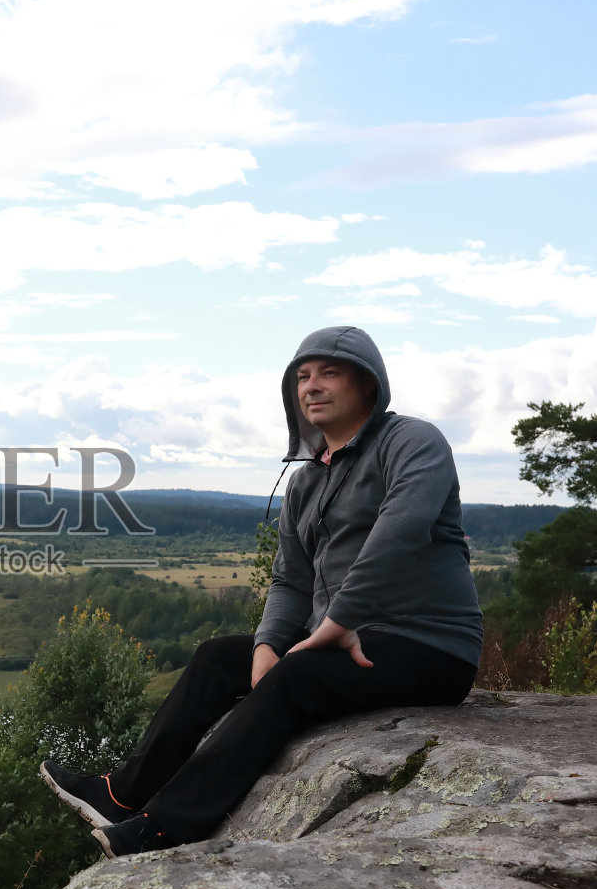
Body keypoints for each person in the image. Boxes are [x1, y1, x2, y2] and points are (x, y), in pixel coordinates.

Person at [40, 325, 483, 857]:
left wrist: (337, 622)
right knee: (218, 658)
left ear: (368, 384)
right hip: (347, 636)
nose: (311, 386)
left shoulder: (412, 442)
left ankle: (164, 828)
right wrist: (266, 646)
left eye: (329, 373)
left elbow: (403, 531)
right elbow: (290, 579)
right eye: (301, 377)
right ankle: (123, 794)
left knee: (298, 675)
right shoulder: (306, 481)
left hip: (427, 646)